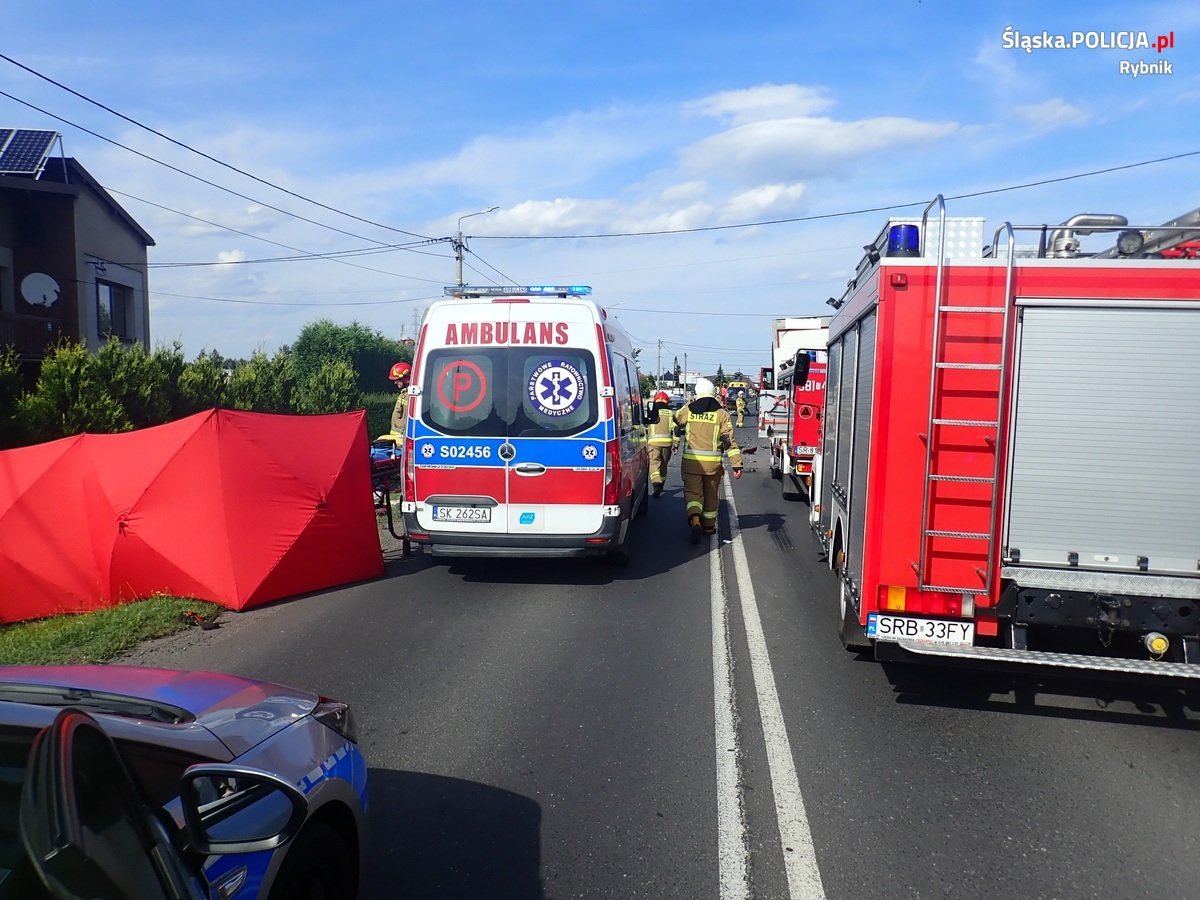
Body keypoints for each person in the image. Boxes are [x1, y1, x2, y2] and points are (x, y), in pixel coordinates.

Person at [674, 378, 743, 544]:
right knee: (711, 496)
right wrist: (736, 463)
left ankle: (695, 520)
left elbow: (676, 420)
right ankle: (708, 527)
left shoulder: (689, 410)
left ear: (698, 393)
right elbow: (728, 440)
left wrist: (689, 405)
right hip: (713, 465)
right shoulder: (722, 414)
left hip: (692, 463)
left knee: (693, 494)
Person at [647, 391, 678, 497]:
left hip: (653, 443)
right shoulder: (670, 413)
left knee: (654, 463)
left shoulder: (652, 411)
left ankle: (657, 484)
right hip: (667, 444)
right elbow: (677, 429)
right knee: (664, 466)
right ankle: (662, 484)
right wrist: (676, 444)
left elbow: (645, 424)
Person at [388, 361, 411, 436]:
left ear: (405, 378)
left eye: (397, 379)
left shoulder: (410, 396)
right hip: (398, 436)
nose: (395, 382)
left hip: (402, 436)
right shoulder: (404, 394)